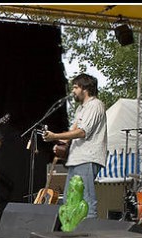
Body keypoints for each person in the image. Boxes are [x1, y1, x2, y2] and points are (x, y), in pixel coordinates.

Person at [42, 73, 107, 218]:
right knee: (69, 200)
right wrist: (58, 143)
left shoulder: (95, 105)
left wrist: (56, 136)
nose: (73, 91)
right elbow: (73, 132)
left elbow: (82, 132)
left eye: (76, 87)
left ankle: (89, 236)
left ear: (85, 88)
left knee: (86, 200)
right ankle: (73, 234)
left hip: (87, 158)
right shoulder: (80, 109)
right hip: (76, 159)